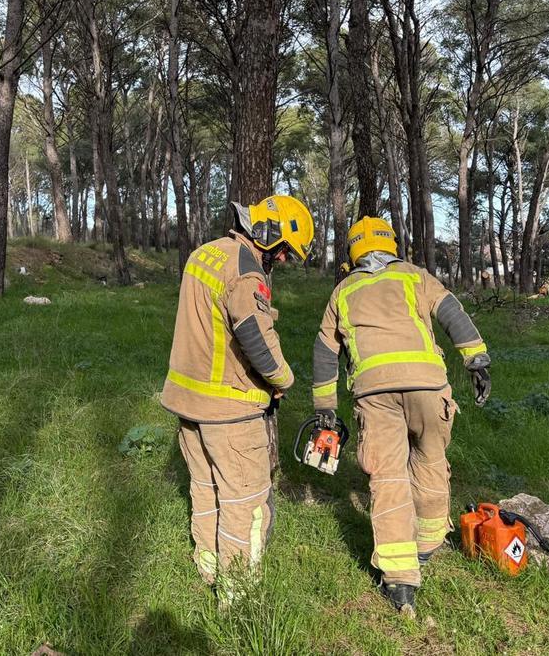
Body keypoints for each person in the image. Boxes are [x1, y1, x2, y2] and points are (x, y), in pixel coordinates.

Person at [311, 216, 491, 615]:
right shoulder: (414, 276)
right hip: (428, 387)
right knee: (430, 461)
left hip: (374, 395)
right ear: (392, 245)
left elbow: (325, 351)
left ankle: (400, 580)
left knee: (388, 477)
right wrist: (476, 358)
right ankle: (426, 547)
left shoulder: (343, 290)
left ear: (352, 252)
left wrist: (325, 409)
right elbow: (451, 313)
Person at [161, 194, 314, 601]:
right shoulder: (246, 270)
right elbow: (254, 335)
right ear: (268, 235)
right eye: (283, 251)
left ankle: (207, 566)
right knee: (245, 499)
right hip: (230, 410)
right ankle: (238, 595)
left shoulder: (204, 254)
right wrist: (284, 379)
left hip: (187, 402)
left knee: (205, 486)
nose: (282, 260)